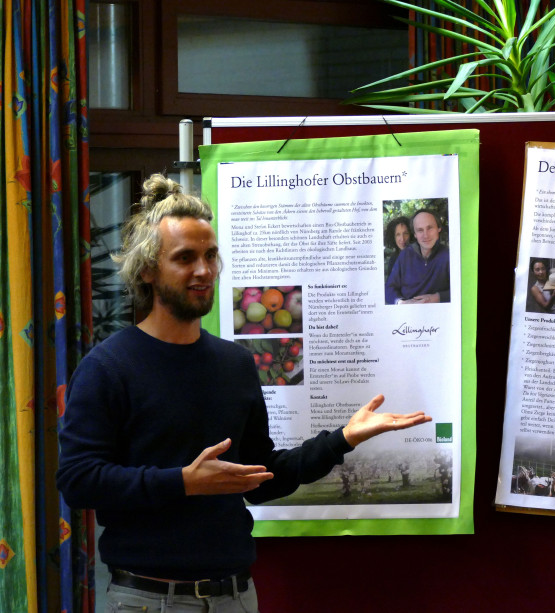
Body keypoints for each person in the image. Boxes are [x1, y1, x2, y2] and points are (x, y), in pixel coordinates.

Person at [56, 174, 431, 613]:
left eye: (210, 255)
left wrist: (341, 439)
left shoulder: (234, 364)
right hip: (147, 600)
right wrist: (181, 483)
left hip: (235, 597)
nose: (204, 270)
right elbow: (77, 481)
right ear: (147, 270)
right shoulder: (107, 368)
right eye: (185, 258)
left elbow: (259, 478)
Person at [385, 209, 450, 305]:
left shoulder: (448, 255)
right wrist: (400, 302)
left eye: (430, 228)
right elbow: (389, 287)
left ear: (438, 228)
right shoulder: (405, 255)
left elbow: (464, 289)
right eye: (420, 230)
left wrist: (438, 297)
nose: (425, 235)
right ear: (415, 234)